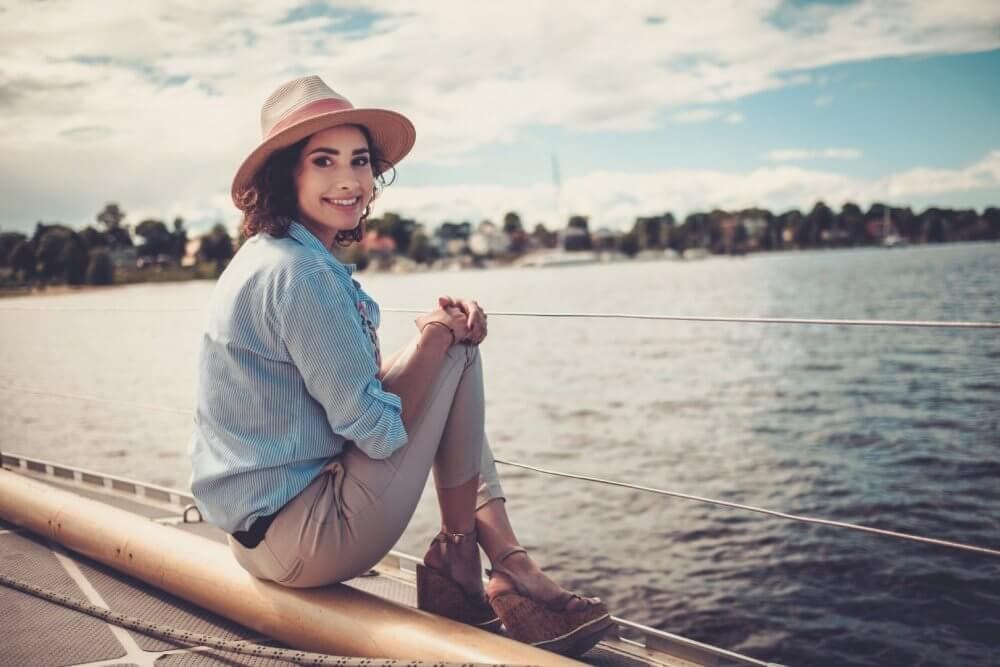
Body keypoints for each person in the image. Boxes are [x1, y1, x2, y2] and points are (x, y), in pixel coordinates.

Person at [189, 75, 611, 656]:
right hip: (304, 543)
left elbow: (346, 399)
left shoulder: (269, 257)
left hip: (257, 537)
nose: (349, 180)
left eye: (360, 161)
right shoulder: (300, 275)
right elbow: (379, 432)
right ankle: (482, 561)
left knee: (447, 353)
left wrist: (432, 344)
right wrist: (437, 337)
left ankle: (485, 562)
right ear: (286, 175)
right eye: (324, 161)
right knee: (456, 349)